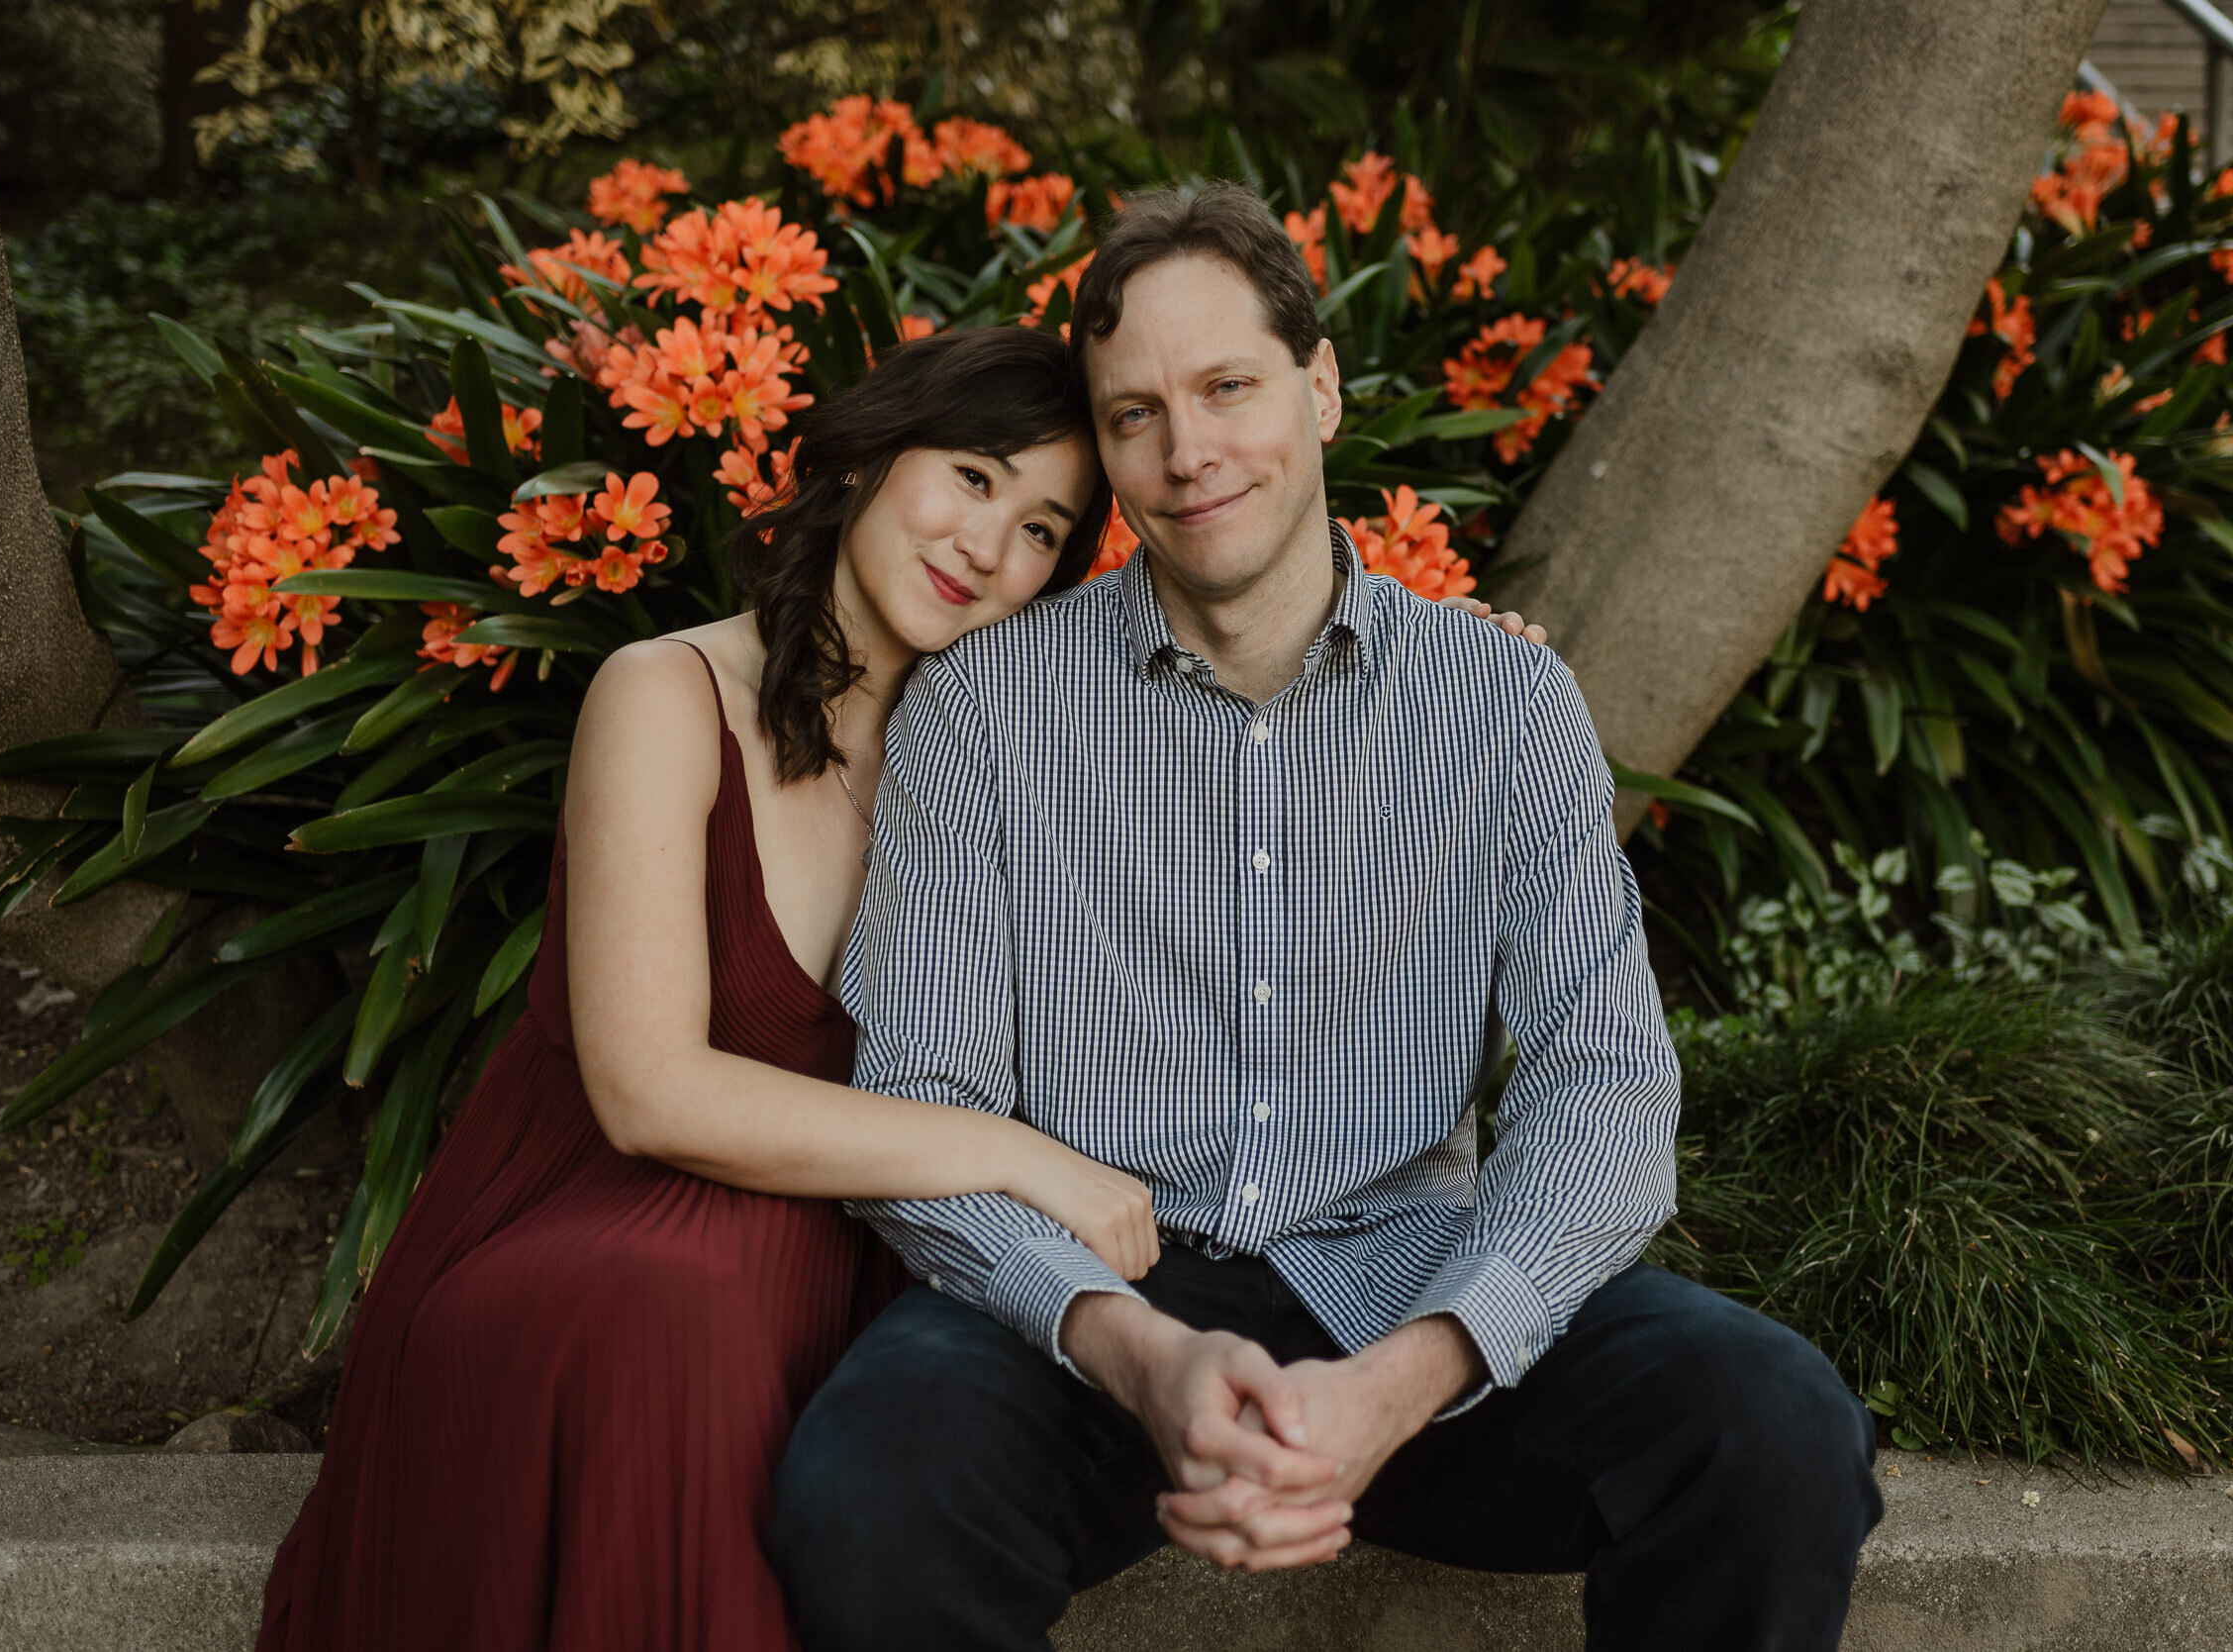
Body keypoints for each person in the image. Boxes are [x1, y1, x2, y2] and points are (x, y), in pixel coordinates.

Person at [253, 322, 1553, 1652]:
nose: (991, 546)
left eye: (1045, 527)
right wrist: (1018, 1154)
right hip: (612, 1215)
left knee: (877, 1397)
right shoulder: (664, 693)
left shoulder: (1021, 746)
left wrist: (1465, 676)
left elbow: (1263, 813)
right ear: (870, 456)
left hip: (856, 1242)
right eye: (974, 476)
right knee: (672, 1315)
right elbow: (646, 1089)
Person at [765, 183, 1886, 1652]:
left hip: (1414, 1289)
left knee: (1779, 1427)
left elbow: (1605, 1088)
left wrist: (1409, 1373)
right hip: (1103, 1308)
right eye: (1135, 415)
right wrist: (1139, 1351)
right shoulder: (986, 712)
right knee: (868, 1490)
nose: (1188, 453)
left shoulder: (1504, 705)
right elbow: (922, 1097)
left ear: (1323, 386)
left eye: (1228, 386)